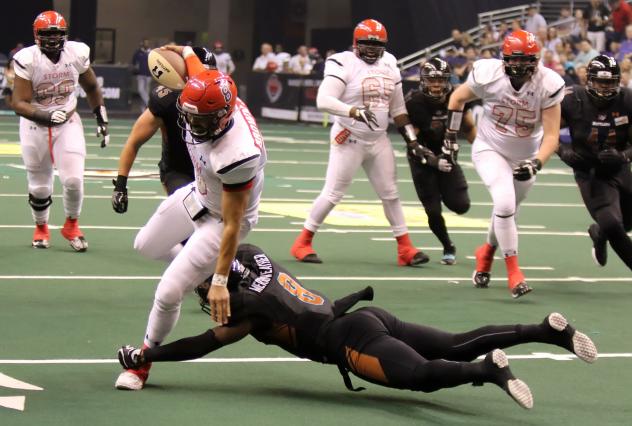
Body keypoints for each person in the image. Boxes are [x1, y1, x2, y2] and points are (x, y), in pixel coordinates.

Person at [117, 243, 598, 409]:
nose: (207, 296)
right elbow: (305, 303)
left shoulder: (244, 308)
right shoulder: (252, 255)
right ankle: (545, 330)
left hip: (347, 340)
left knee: (422, 376)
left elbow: (204, 343)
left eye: (207, 288)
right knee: (455, 341)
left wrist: (148, 354)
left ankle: (489, 371)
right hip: (362, 317)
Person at [114, 45, 267, 391]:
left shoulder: (237, 153)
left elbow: (231, 223)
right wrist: (178, 49)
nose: (191, 124)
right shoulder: (207, 89)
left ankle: (143, 362)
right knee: (145, 246)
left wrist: (218, 282)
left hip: (223, 218)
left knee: (168, 291)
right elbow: (191, 60)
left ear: (222, 118)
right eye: (189, 115)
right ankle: (202, 269)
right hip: (197, 193)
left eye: (200, 120)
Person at [290, 19, 429, 266]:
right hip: (349, 138)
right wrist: (353, 111)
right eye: (367, 43)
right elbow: (323, 100)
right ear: (356, 43)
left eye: (378, 45)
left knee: (391, 194)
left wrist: (412, 140)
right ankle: (302, 242)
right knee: (333, 193)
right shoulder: (343, 62)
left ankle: (405, 248)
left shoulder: (390, 63)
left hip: (378, 139)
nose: (373, 49)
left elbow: (398, 108)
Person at [446, 30, 565, 298]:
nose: (522, 66)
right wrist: (451, 136)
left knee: (507, 210)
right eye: (517, 60)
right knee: (504, 203)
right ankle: (514, 272)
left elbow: (552, 136)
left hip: (526, 156)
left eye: (528, 60)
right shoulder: (490, 75)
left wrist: (536, 163)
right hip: (490, 148)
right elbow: (456, 99)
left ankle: (486, 252)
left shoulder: (548, 83)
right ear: (505, 59)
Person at [11, 10, 109, 252]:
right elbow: (18, 103)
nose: (53, 39)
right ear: (37, 35)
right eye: (47, 34)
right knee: (39, 186)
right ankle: (41, 227)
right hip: (35, 124)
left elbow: (92, 86)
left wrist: (101, 117)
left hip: (67, 122)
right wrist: (45, 115)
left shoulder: (76, 53)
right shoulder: (28, 59)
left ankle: (71, 225)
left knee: (74, 180)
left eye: (57, 34)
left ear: (65, 35)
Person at [111, 47, 217, 213]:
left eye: (208, 75)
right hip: (179, 170)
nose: (204, 81)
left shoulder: (224, 99)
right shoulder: (166, 101)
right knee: (192, 213)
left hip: (213, 169)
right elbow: (133, 142)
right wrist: (120, 184)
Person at [558, 55, 632, 270]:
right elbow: (546, 130)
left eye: (611, 82)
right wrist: (563, 151)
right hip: (590, 171)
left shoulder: (627, 100)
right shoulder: (572, 99)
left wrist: (623, 156)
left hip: (619, 168)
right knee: (612, 223)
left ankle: (599, 233)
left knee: (625, 223)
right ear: (589, 80)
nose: (606, 87)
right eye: (602, 81)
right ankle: (605, 230)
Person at [404, 57, 476, 265]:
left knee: (461, 205)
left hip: (448, 153)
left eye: (440, 80)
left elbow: (469, 128)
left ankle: (445, 190)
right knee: (433, 210)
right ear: (423, 81)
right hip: (422, 158)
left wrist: (482, 152)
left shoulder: (458, 96)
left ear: (448, 80)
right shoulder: (415, 102)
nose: (436, 85)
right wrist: (433, 161)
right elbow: (412, 142)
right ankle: (447, 245)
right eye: (431, 80)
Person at [131, 39, 152, 108]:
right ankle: (149, 103)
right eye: (144, 43)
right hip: (140, 74)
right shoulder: (138, 52)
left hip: (148, 75)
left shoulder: (151, 52)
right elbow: (133, 62)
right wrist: (136, 67)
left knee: (146, 91)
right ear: (142, 43)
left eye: (147, 43)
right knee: (141, 90)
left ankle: (143, 109)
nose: (146, 44)